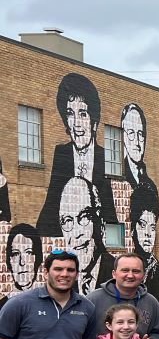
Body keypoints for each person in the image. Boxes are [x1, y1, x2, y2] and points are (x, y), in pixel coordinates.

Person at [37, 73, 119, 236]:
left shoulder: (107, 159)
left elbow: (111, 216)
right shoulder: (62, 154)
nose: (76, 123)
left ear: (93, 121)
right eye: (70, 113)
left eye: (82, 113)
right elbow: (50, 210)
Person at [87, 254, 159, 339]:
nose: (130, 275)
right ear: (114, 274)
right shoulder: (93, 300)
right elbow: (80, 334)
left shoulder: (151, 302)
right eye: (125, 270)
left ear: (143, 275)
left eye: (136, 271)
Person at [56, 177, 114, 294]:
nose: (77, 233)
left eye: (84, 217)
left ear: (100, 221)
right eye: (67, 221)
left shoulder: (117, 273)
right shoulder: (61, 282)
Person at [128, 184, 159, 305]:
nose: (148, 234)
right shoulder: (126, 266)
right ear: (133, 227)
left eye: (152, 227)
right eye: (143, 225)